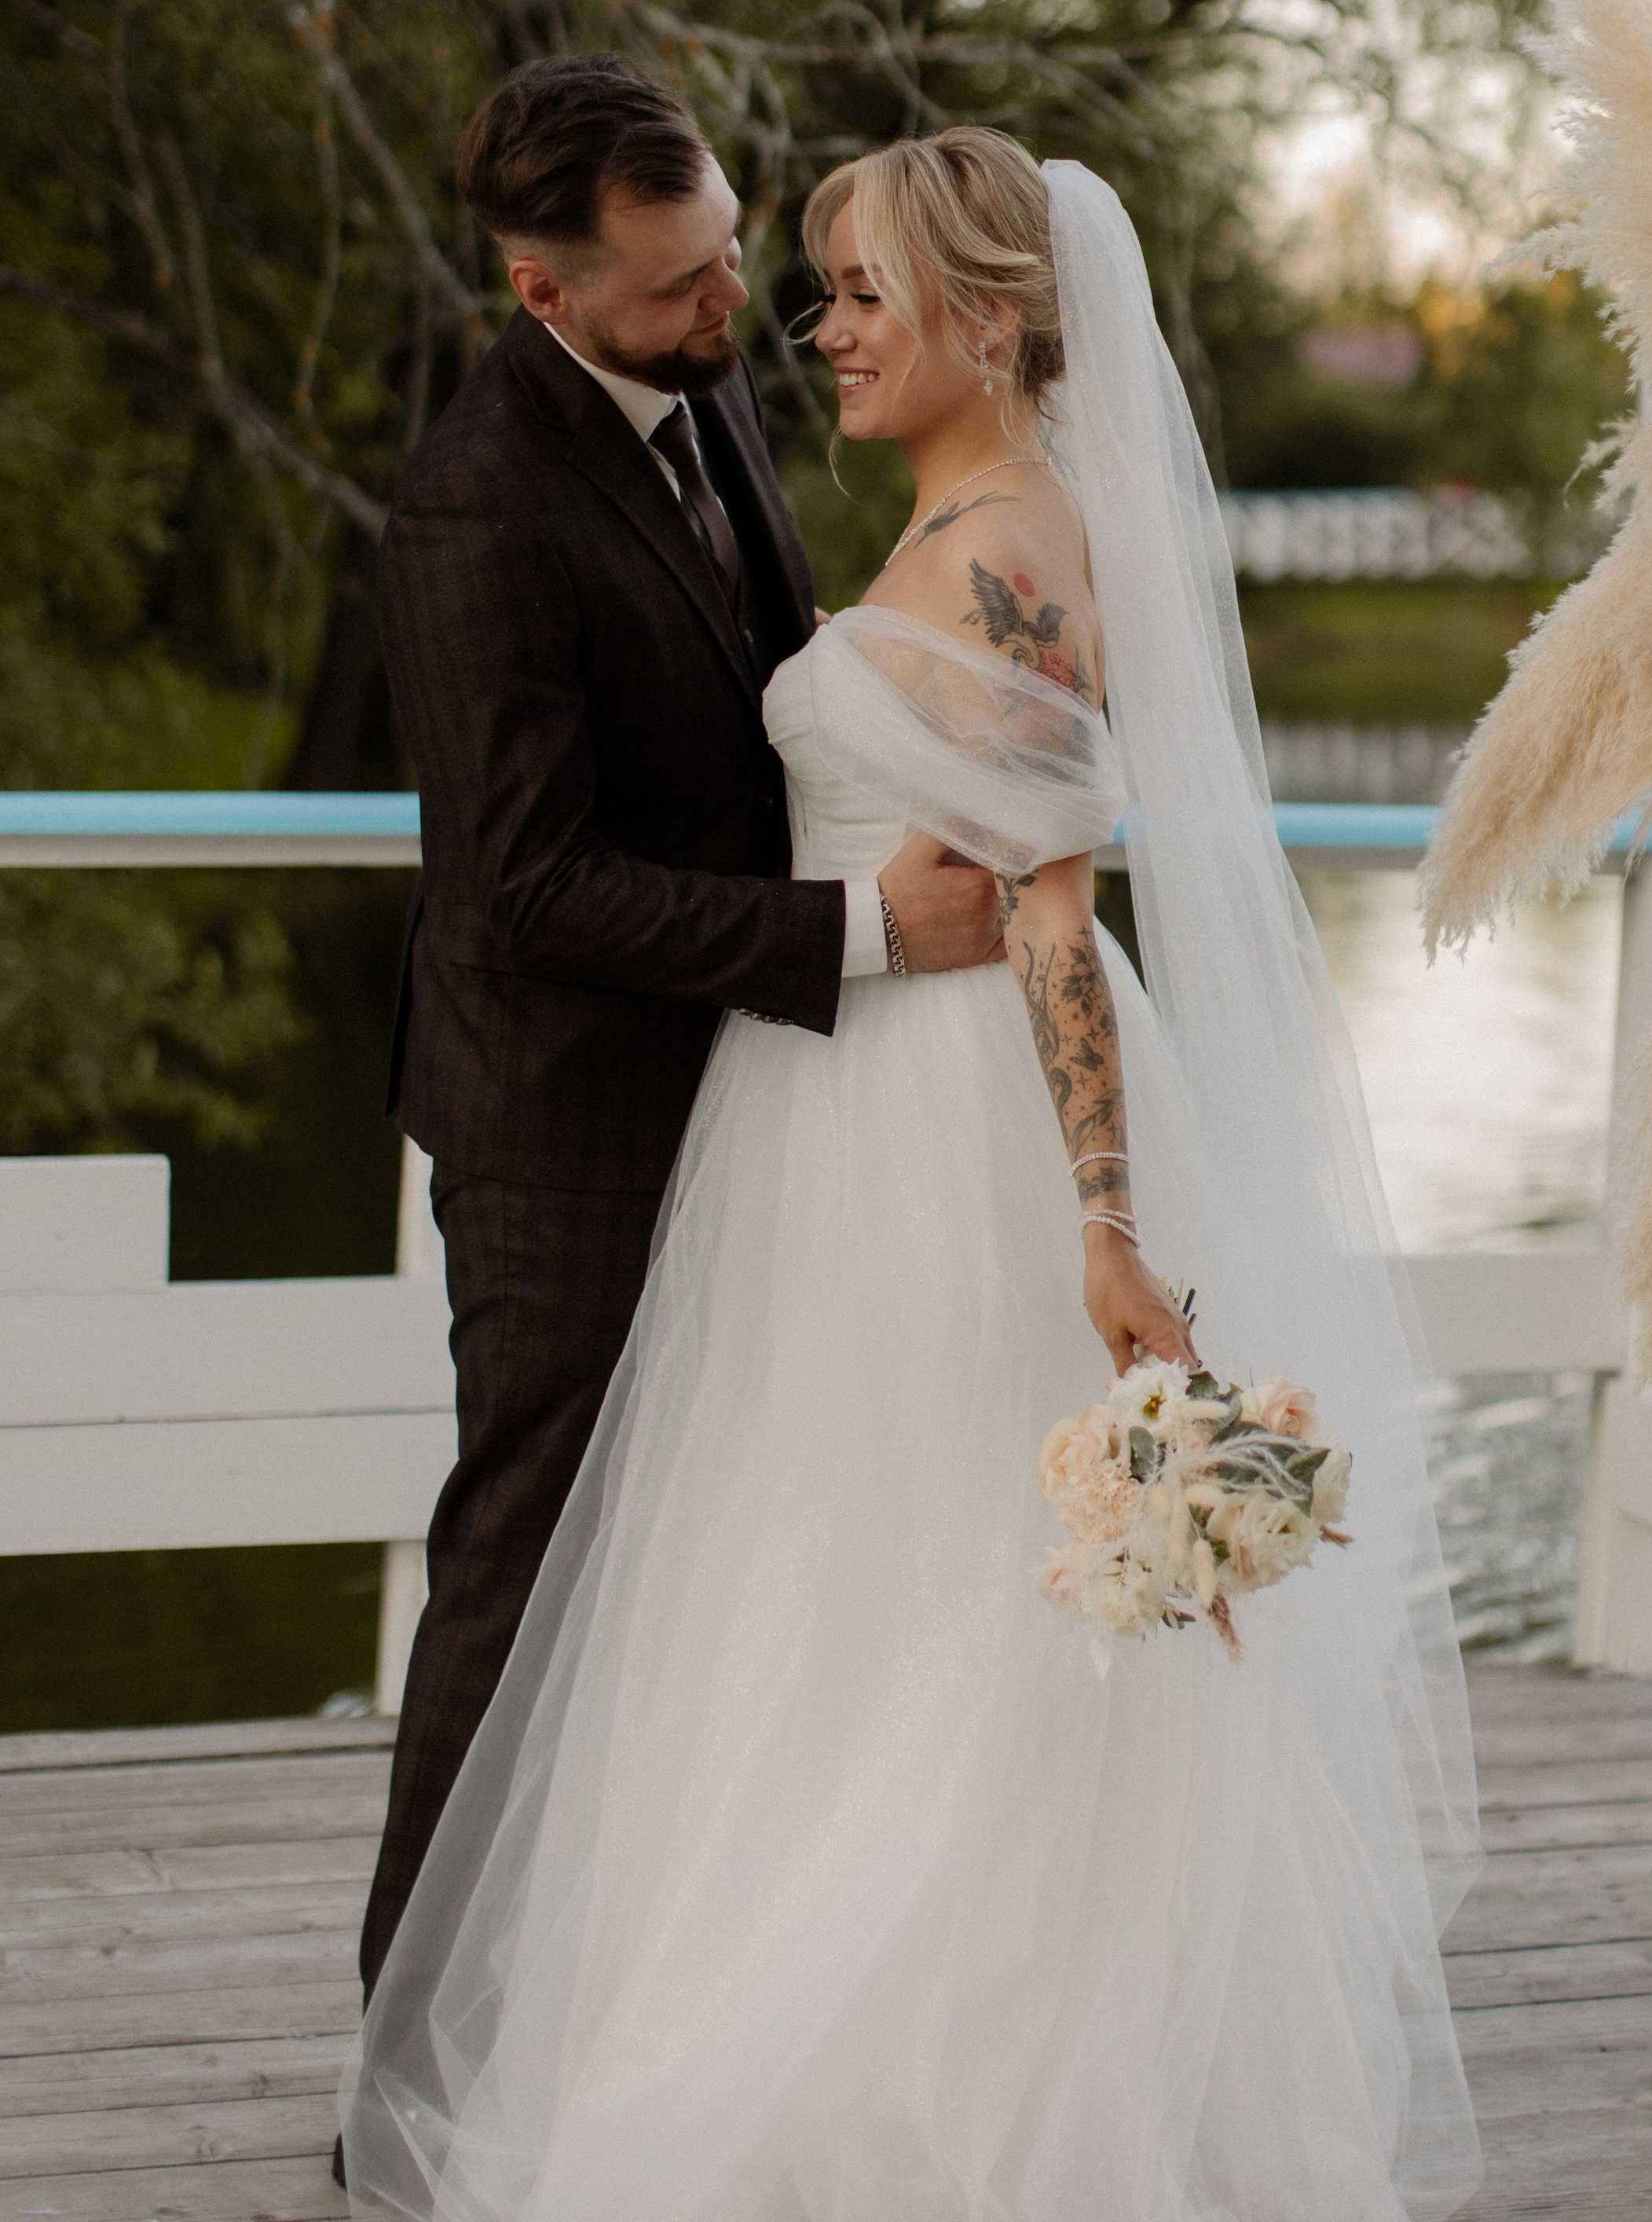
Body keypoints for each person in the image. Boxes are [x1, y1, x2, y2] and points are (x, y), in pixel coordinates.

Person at [342, 129, 1482, 2220]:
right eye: (805, 290)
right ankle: (545, 2021)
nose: (809, 330)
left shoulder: (1011, 548)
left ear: (982, 311)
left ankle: (940, 2063)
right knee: (808, 1578)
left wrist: (1112, 1229)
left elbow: (1050, 906)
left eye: (857, 292)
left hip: (941, 1111)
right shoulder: (943, 511)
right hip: (819, 1088)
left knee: (924, 1588)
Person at [357, 60, 1004, 2010]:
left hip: (751, 1089)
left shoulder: (704, 388)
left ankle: (623, 1998)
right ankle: (410, 2040)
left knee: (719, 1557)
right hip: (559, 1123)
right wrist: (856, 933)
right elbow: (525, 887)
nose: (736, 310)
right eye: (677, 289)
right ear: (546, 294)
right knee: (527, 1560)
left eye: (730, 251)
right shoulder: (471, 509)